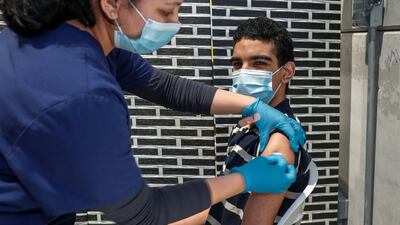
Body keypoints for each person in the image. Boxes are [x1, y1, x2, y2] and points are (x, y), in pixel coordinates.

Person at [0, 1, 306, 225]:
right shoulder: (84, 91)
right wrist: (245, 177)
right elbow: (141, 212)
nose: (176, 22)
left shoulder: (57, 40)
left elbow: (164, 87)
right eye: (165, 12)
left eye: (259, 63)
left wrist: (250, 105)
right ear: (110, 4)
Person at [171, 17, 312, 225]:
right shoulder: (246, 124)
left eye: (259, 63)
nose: (243, 72)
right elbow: (222, 205)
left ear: (287, 72)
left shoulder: (280, 139)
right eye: (238, 64)